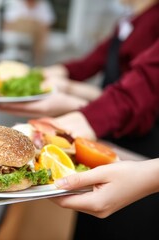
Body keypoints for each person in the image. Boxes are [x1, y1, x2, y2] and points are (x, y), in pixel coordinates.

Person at [35, 39, 159, 239]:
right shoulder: (128, 22)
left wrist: (152, 175)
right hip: (125, 159)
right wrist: (85, 116)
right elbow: (146, 79)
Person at [0, 0, 159, 118]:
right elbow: (89, 63)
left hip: (132, 124)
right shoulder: (127, 21)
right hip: (112, 109)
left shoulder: (153, 21)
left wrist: (70, 90)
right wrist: (41, 73)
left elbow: (137, 94)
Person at [1, 0, 56, 64]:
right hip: (17, 36)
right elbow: (7, 24)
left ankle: (37, 64)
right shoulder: (15, 3)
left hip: (35, 39)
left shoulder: (43, 4)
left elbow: (46, 26)